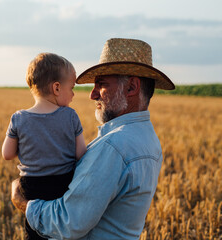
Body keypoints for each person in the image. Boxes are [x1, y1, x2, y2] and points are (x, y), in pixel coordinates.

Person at [11, 38, 175, 239]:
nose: (92, 94)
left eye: (102, 84)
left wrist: (24, 203)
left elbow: (68, 222)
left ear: (132, 87)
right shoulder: (147, 137)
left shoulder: (114, 146)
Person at [2, 52, 87, 240]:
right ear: (56, 88)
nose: (73, 94)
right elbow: (81, 155)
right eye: (71, 88)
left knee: (35, 231)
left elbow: (7, 154)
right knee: (62, 229)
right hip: (63, 184)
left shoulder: (19, 118)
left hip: (32, 187)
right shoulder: (71, 116)